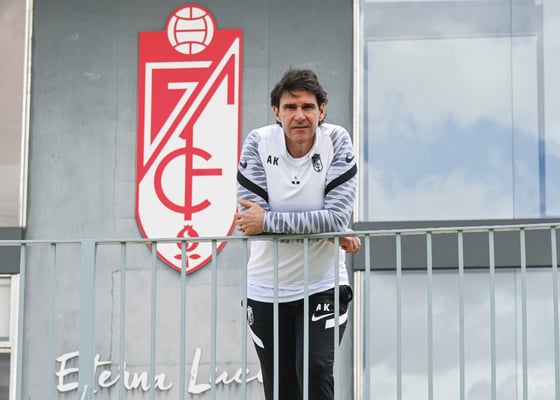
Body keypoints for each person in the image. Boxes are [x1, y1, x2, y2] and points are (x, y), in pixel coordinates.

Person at [235, 68, 360, 400]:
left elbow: (336, 217)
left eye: (307, 106)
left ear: (322, 110)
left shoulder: (337, 141)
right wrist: (326, 231)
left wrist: (270, 221)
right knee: (282, 389)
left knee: (315, 370)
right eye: (290, 107)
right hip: (265, 290)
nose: (299, 115)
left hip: (323, 285)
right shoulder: (258, 143)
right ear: (277, 113)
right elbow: (250, 223)